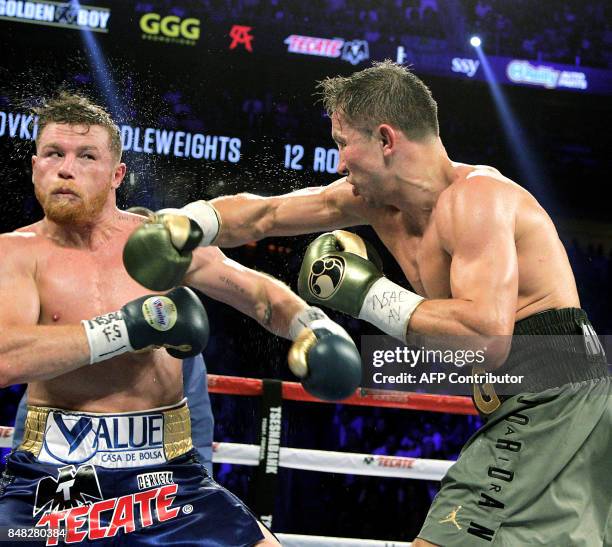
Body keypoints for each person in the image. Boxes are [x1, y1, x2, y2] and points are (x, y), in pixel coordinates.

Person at [126, 61, 611, 545]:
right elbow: (265, 214)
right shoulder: (371, 203)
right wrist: (185, 225)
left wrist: (366, 292)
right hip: (547, 395)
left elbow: (486, 340)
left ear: (385, 139)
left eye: (342, 143)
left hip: (550, 389)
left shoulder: (477, 200)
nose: (338, 163)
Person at [0, 92, 361, 545]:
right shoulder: (14, 253)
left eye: (86, 156)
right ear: (36, 167)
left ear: (116, 175)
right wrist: (126, 330)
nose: (66, 168)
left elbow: (259, 295)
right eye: (54, 154)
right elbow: (5, 358)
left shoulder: (159, 242)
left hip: (165, 477)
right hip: (53, 478)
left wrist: (313, 324)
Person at [10, 207, 216, 476]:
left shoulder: (176, 333)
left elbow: (196, 419)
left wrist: (200, 480)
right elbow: (37, 403)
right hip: (71, 467)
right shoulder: (74, 327)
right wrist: (22, 469)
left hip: (148, 472)